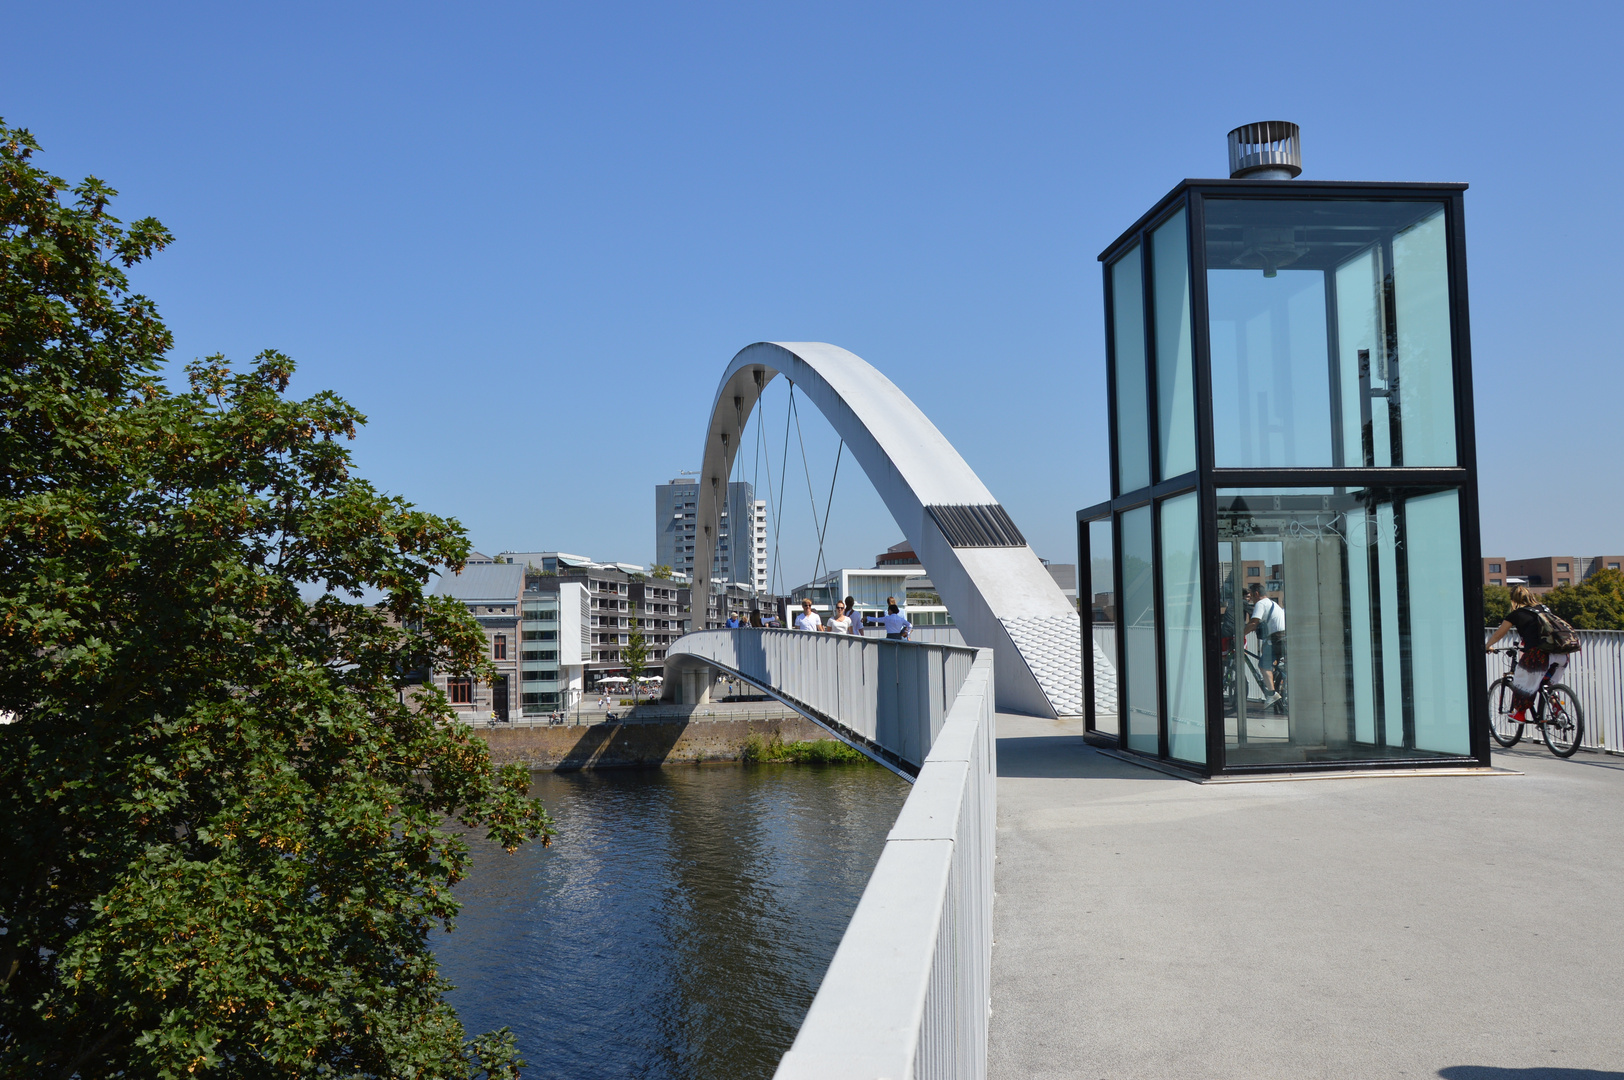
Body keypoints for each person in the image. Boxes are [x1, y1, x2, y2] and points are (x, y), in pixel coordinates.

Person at [1486, 585, 1578, 719]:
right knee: (1546, 685)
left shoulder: (1516, 615)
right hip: (1561, 654)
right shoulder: (1544, 609)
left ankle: (1520, 713)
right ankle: (1557, 708)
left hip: (1540, 655)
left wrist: (1487, 645)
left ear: (1513, 599)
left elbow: (1498, 634)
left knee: (1521, 681)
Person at [1244, 583, 1285, 707]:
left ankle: (1272, 693)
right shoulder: (1272, 603)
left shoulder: (1260, 604)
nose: (1250, 597)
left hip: (1275, 638)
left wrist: (1240, 634)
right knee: (1266, 654)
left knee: (1263, 665)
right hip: (1283, 637)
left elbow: (1253, 623)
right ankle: (1278, 677)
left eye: (1251, 594)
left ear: (1256, 593)